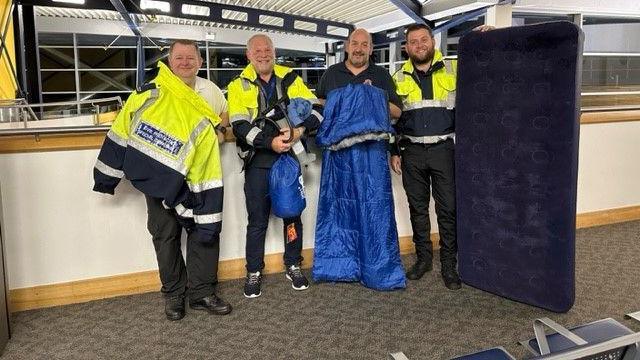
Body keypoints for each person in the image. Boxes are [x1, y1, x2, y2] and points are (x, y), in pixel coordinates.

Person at [125, 39, 231, 321]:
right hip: (161, 178)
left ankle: (202, 293)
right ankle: (173, 295)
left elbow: (223, 118)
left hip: (200, 178)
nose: (185, 63)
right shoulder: (154, 90)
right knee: (165, 233)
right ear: (169, 62)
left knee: (205, 232)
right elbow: (130, 125)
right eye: (179, 58)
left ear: (200, 61)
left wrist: (220, 133)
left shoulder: (210, 90)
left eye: (190, 58)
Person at [390, 24, 493, 290]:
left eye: (424, 40)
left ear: (432, 42)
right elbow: (388, 118)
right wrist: (393, 150)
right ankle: (424, 260)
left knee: (448, 209)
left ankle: (449, 265)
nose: (419, 45)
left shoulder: (453, 68)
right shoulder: (397, 76)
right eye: (413, 42)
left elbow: (485, 69)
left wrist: (485, 39)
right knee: (418, 210)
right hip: (411, 151)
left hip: (444, 150)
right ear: (407, 47)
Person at [227, 34, 323, 298]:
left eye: (267, 49)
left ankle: (293, 264)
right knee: (257, 221)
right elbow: (239, 126)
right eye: (257, 50)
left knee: (292, 215)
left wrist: (300, 131)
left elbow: (317, 111)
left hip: (290, 160)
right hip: (258, 161)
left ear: (274, 52)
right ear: (248, 55)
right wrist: (269, 143)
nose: (263, 54)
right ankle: (253, 271)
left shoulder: (291, 78)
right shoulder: (238, 85)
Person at [312, 28, 405, 290]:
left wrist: (370, 97)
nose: (359, 48)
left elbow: (397, 111)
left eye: (365, 44)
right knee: (339, 209)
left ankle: (376, 268)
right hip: (338, 155)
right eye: (355, 43)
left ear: (371, 49)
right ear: (346, 46)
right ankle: (339, 266)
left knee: (373, 209)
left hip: (372, 155)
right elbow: (320, 106)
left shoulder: (380, 75)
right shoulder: (332, 74)